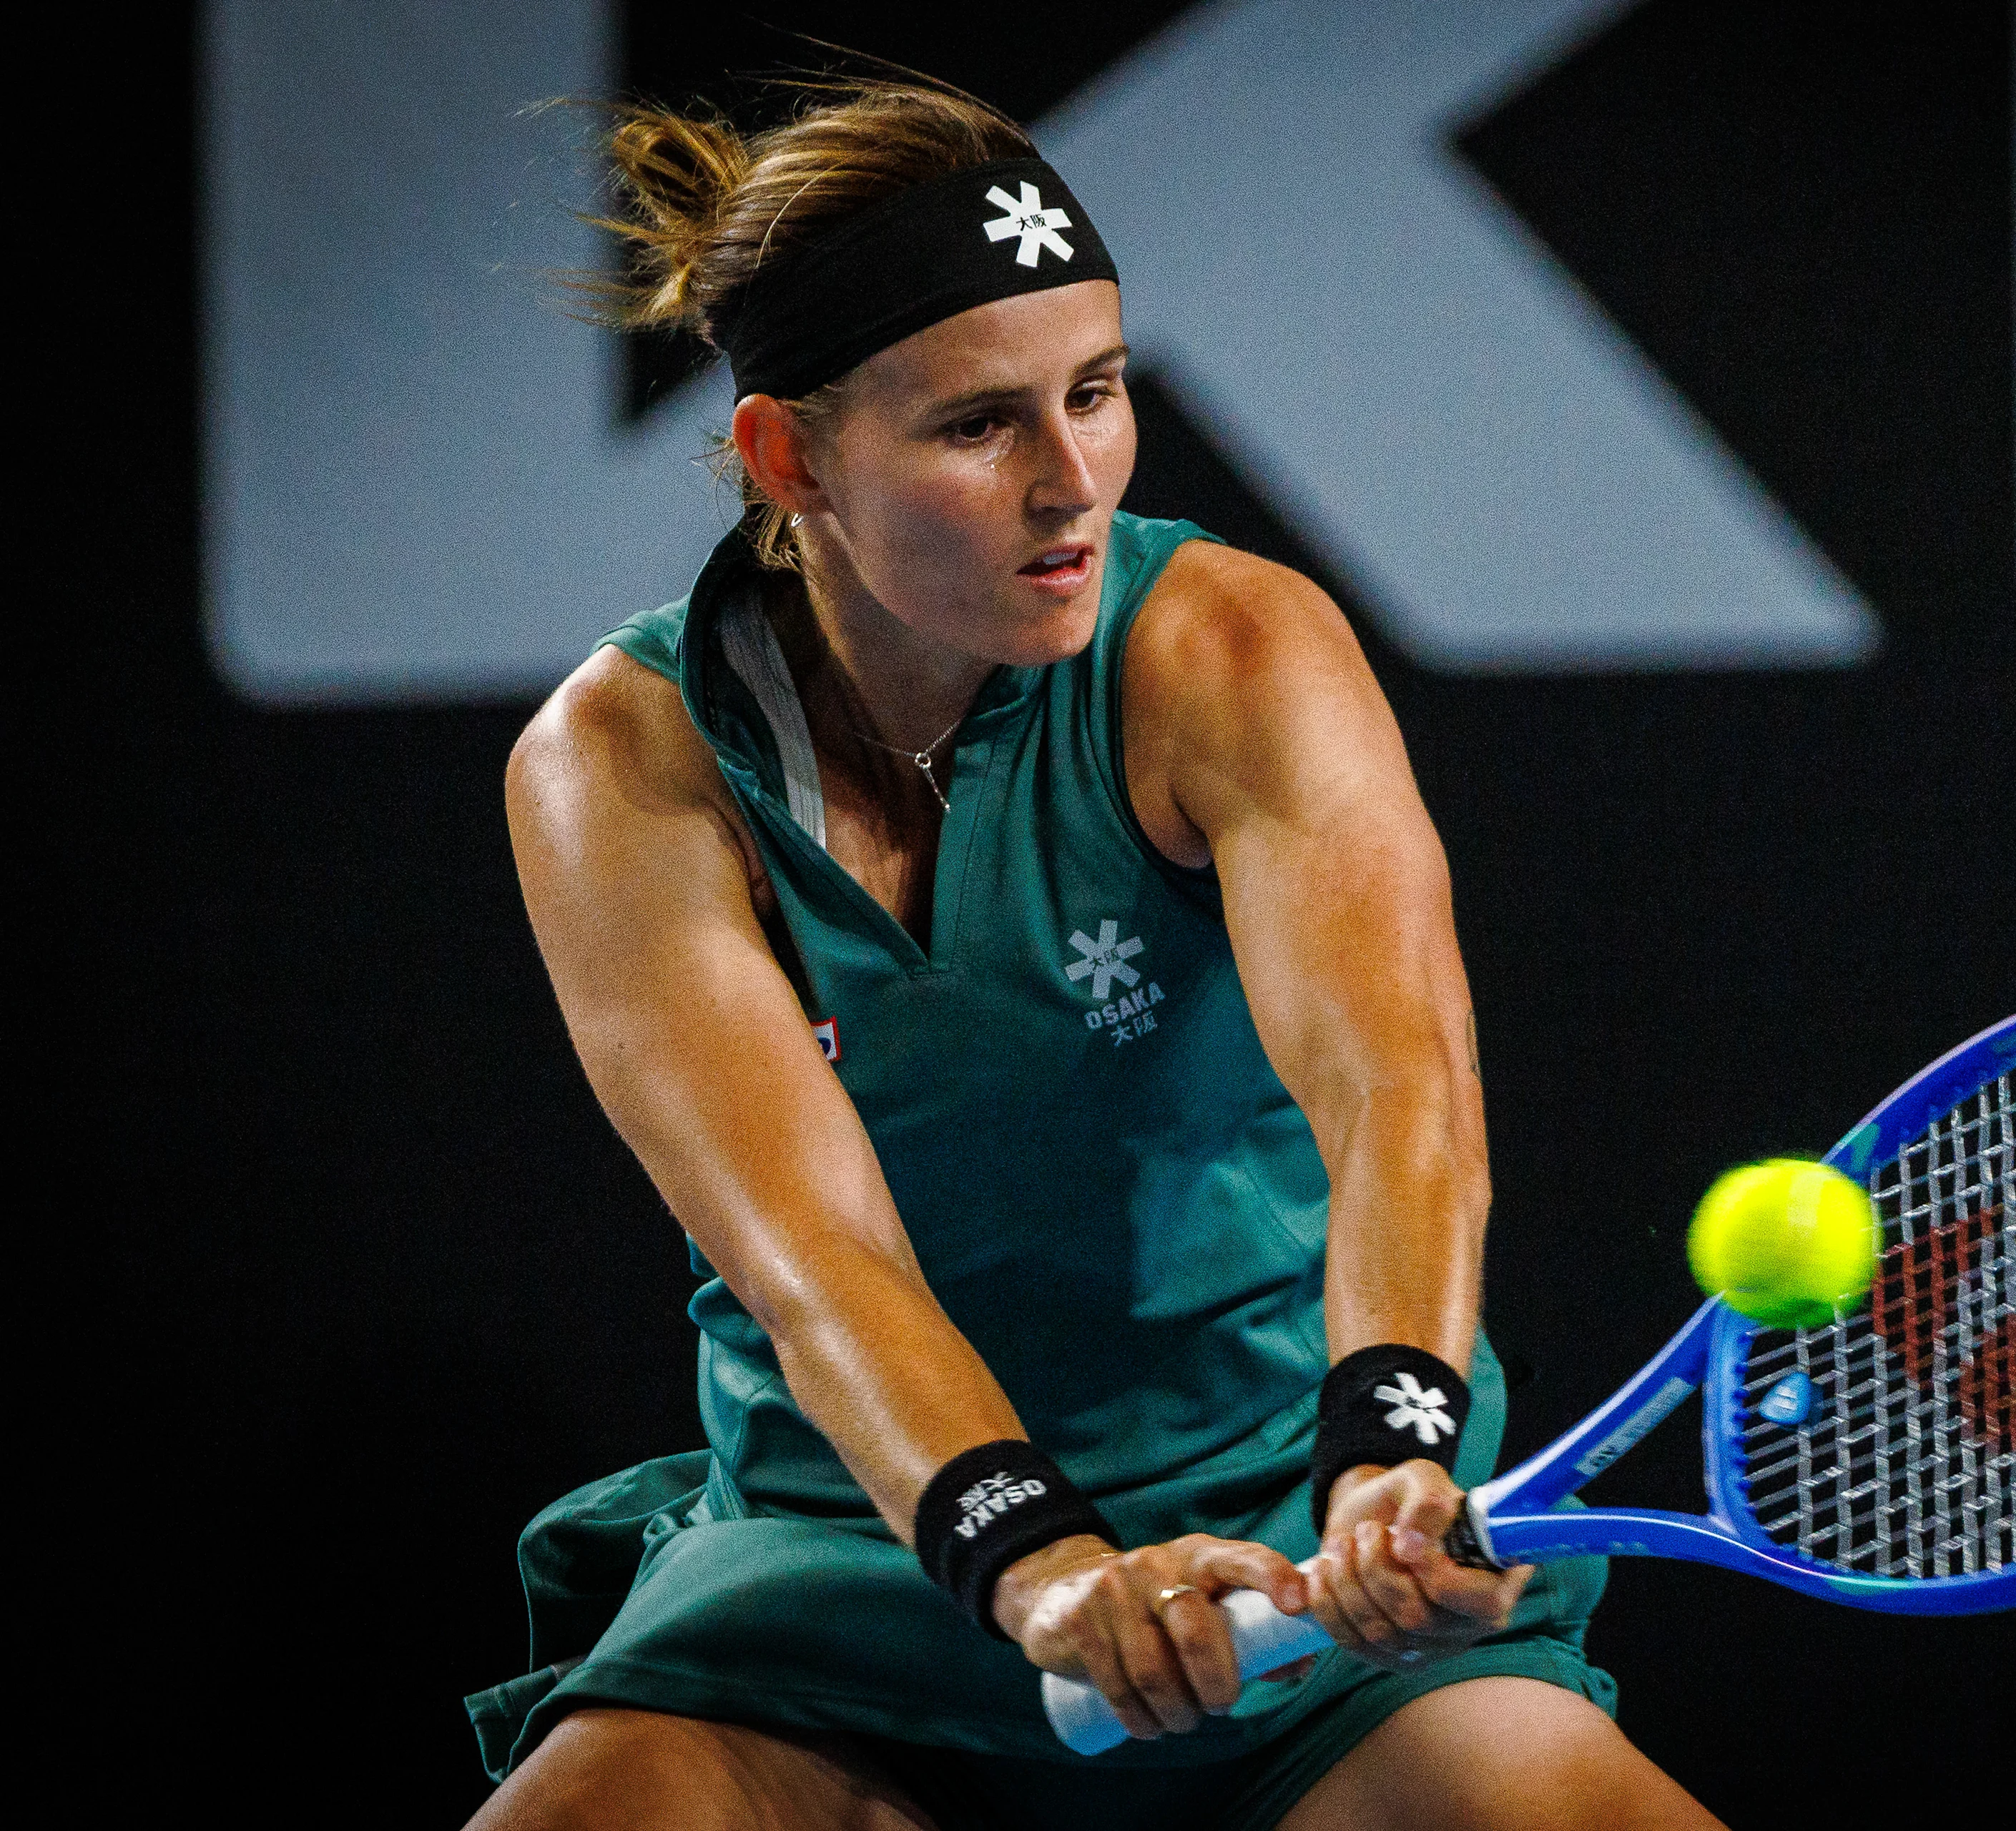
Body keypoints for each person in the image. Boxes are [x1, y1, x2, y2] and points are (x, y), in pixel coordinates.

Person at [465, 70, 1722, 1831]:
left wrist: (1391, 1448)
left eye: (1100, 391)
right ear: (788, 454)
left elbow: (1395, 1087)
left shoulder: (1231, 648)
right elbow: (819, 1262)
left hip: (1302, 1538)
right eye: (979, 426)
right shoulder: (621, 767)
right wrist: (1042, 1567)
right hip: (862, 1565)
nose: (1073, 481)